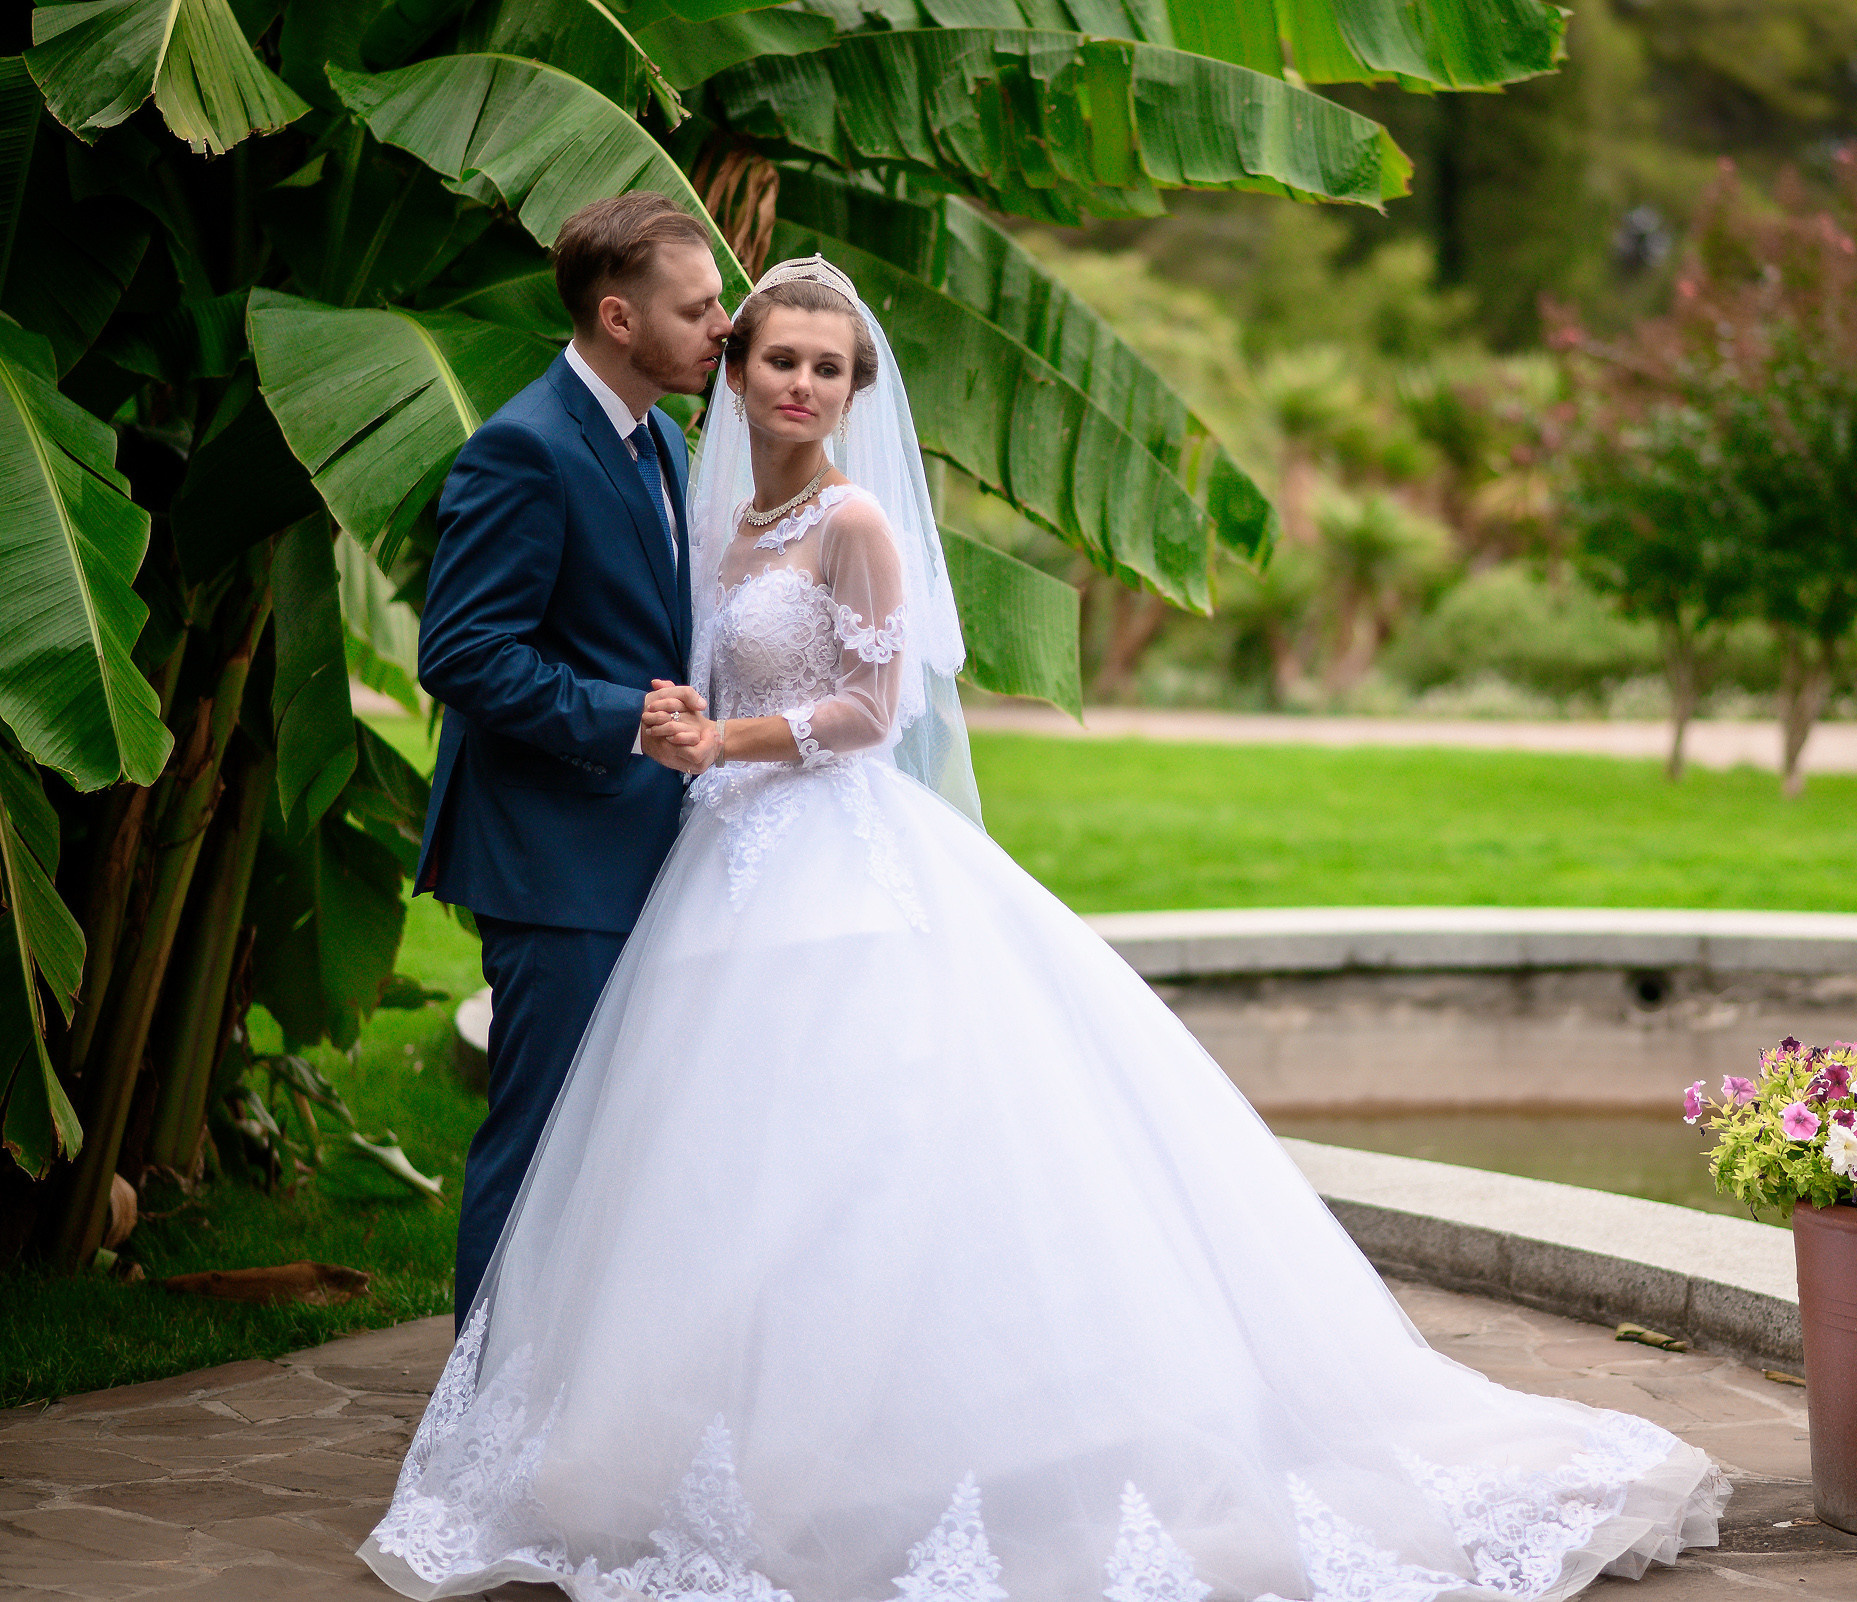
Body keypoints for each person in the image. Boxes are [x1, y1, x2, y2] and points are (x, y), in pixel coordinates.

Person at [362, 258, 1727, 1602]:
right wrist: (690, 743)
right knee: (702, 1165)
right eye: (774, 355)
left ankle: (863, 1443)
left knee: (852, 1162)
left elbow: (872, 713)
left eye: (828, 366)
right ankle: (654, 1433)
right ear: (732, 371)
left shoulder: (854, 522)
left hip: (824, 859)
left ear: (856, 389)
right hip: (708, 861)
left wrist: (728, 739)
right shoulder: (699, 501)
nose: (797, 380)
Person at [413, 193, 733, 1329]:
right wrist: (624, 718)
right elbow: (462, 652)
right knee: (542, 1138)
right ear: (617, 318)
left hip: (642, 843)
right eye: (697, 309)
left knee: (615, 1141)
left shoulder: (664, 438)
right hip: (552, 858)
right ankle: (483, 1398)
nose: (724, 327)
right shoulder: (526, 447)